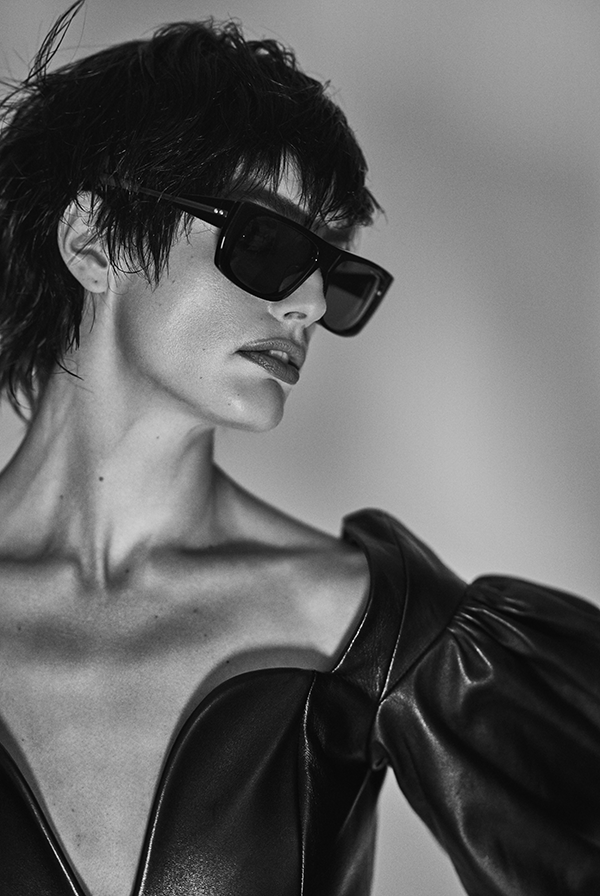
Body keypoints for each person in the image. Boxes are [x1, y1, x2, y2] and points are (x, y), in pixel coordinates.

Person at [0, 2, 599, 894]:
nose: (311, 305)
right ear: (92, 241)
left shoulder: (367, 628)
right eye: (268, 243)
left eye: (338, 274)